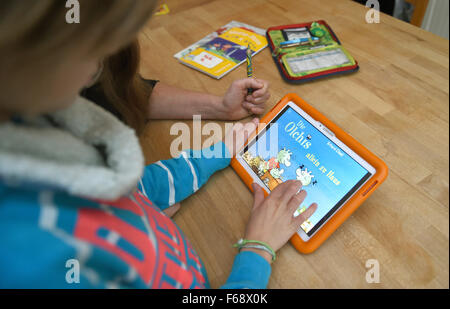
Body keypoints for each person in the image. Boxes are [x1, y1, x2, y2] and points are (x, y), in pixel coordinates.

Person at [0, 0, 317, 288]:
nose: (95, 75)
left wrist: (215, 153)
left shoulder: (38, 132)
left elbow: (132, 188)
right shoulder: (31, 265)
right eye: (93, 49)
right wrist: (256, 251)